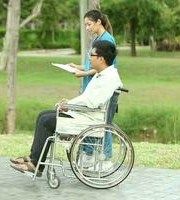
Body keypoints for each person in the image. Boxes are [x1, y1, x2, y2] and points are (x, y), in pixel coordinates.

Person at [10, 40, 122, 175]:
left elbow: (92, 102)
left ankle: (35, 164)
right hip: (86, 114)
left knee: (46, 121)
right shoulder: (102, 74)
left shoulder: (108, 78)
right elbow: (87, 99)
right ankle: (34, 158)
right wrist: (70, 103)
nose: (89, 58)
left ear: (101, 58)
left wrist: (69, 105)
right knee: (43, 115)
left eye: (91, 55)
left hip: (90, 119)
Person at [70, 9, 118, 92]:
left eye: (89, 24)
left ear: (98, 21)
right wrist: (77, 67)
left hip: (100, 88)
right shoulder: (97, 39)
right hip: (92, 87)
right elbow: (94, 64)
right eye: (86, 25)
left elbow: (104, 67)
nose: (87, 28)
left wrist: (84, 74)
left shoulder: (107, 40)